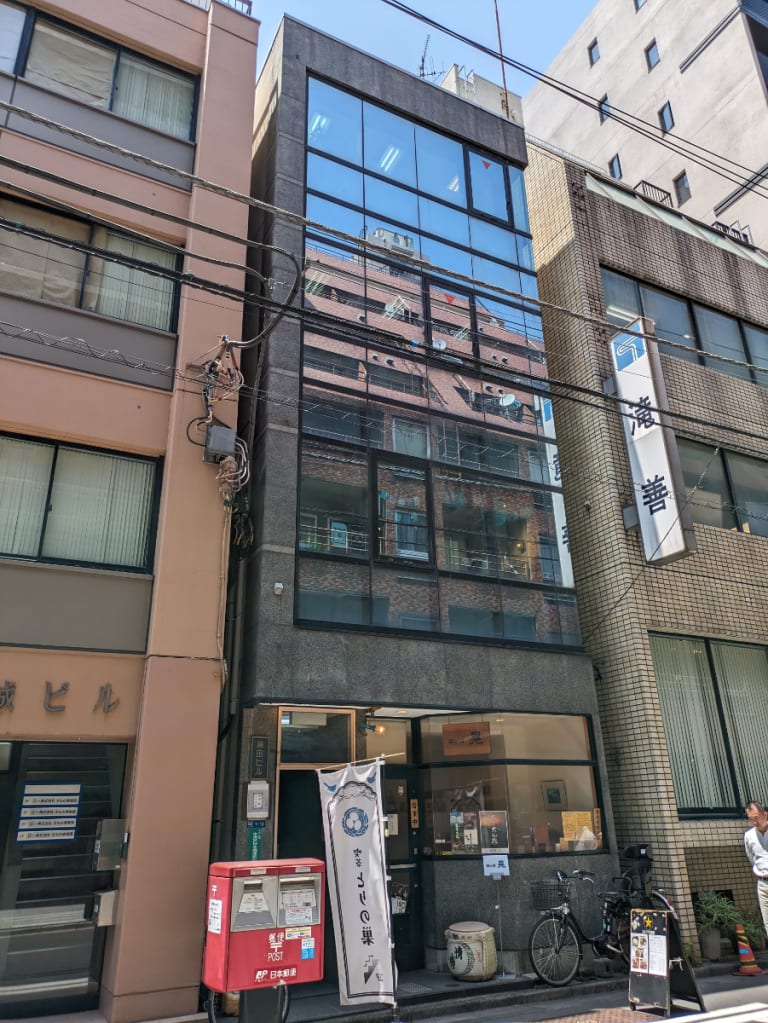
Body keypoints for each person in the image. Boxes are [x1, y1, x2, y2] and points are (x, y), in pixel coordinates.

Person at [744, 800, 768, 936]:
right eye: (751, 819)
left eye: (756, 818)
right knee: (767, 923)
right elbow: (751, 858)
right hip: (762, 883)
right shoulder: (749, 836)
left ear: (765, 814)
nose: (754, 822)